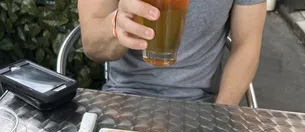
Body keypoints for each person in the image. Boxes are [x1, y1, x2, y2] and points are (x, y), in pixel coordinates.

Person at [78, 0, 266, 105]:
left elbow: (246, 44)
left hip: (201, 104)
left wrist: (221, 113)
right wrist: (116, 26)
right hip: (123, 98)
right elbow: (92, 45)